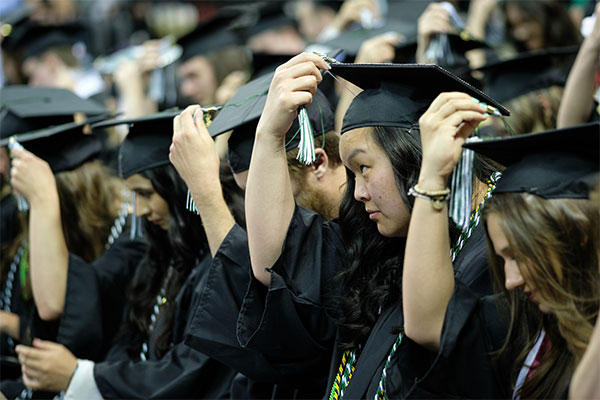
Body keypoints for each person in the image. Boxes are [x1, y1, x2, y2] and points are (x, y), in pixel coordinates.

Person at [241, 52, 508, 398]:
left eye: (363, 168)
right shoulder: (384, 251)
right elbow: (277, 263)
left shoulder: (499, 250)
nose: (358, 193)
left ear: (415, 153)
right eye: (351, 175)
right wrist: (270, 135)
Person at [14, 111, 239, 399]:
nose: (138, 210)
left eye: (145, 194)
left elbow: (194, 372)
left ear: (177, 187)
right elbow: (129, 338)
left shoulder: (220, 262)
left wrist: (82, 375)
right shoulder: (163, 253)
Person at [171, 75, 344, 398]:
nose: (257, 213)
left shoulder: (358, 236)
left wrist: (207, 195)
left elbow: (284, 339)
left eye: (262, 193)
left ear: (318, 162)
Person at [400, 121, 599, 398]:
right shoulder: (532, 322)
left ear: (577, 236)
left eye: (518, 255)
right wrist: (432, 178)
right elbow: (429, 324)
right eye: (503, 259)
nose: (510, 280)